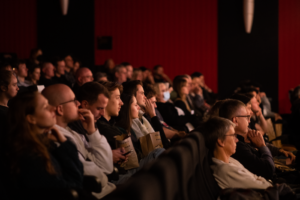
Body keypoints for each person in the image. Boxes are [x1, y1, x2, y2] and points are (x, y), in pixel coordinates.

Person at [42, 84, 116, 199]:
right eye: (73, 101)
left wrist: (92, 131)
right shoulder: (56, 137)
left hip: (107, 190)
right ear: (60, 109)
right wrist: (103, 176)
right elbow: (90, 174)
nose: (78, 104)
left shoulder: (73, 132)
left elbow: (106, 166)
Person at [4, 91, 83, 194]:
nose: (54, 108)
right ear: (31, 119)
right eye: (46, 107)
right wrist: (66, 145)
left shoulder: (45, 143)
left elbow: (76, 174)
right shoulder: (29, 156)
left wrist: (64, 142)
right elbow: (71, 188)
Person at [218, 99, 296, 180]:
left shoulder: (240, 139)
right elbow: (268, 170)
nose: (249, 120)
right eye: (246, 117)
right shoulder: (236, 146)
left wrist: (279, 152)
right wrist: (262, 146)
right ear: (235, 120)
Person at [200, 117, 273, 189]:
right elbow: (265, 187)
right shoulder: (225, 170)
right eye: (233, 135)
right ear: (221, 141)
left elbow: (256, 178)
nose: (237, 140)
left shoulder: (230, 160)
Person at [122, 80, 170, 148]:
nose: (145, 97)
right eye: (142, 93)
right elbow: (148, 146)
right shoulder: (132, 119)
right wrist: (153, 116)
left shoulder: (142, 116)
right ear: (133, 94)